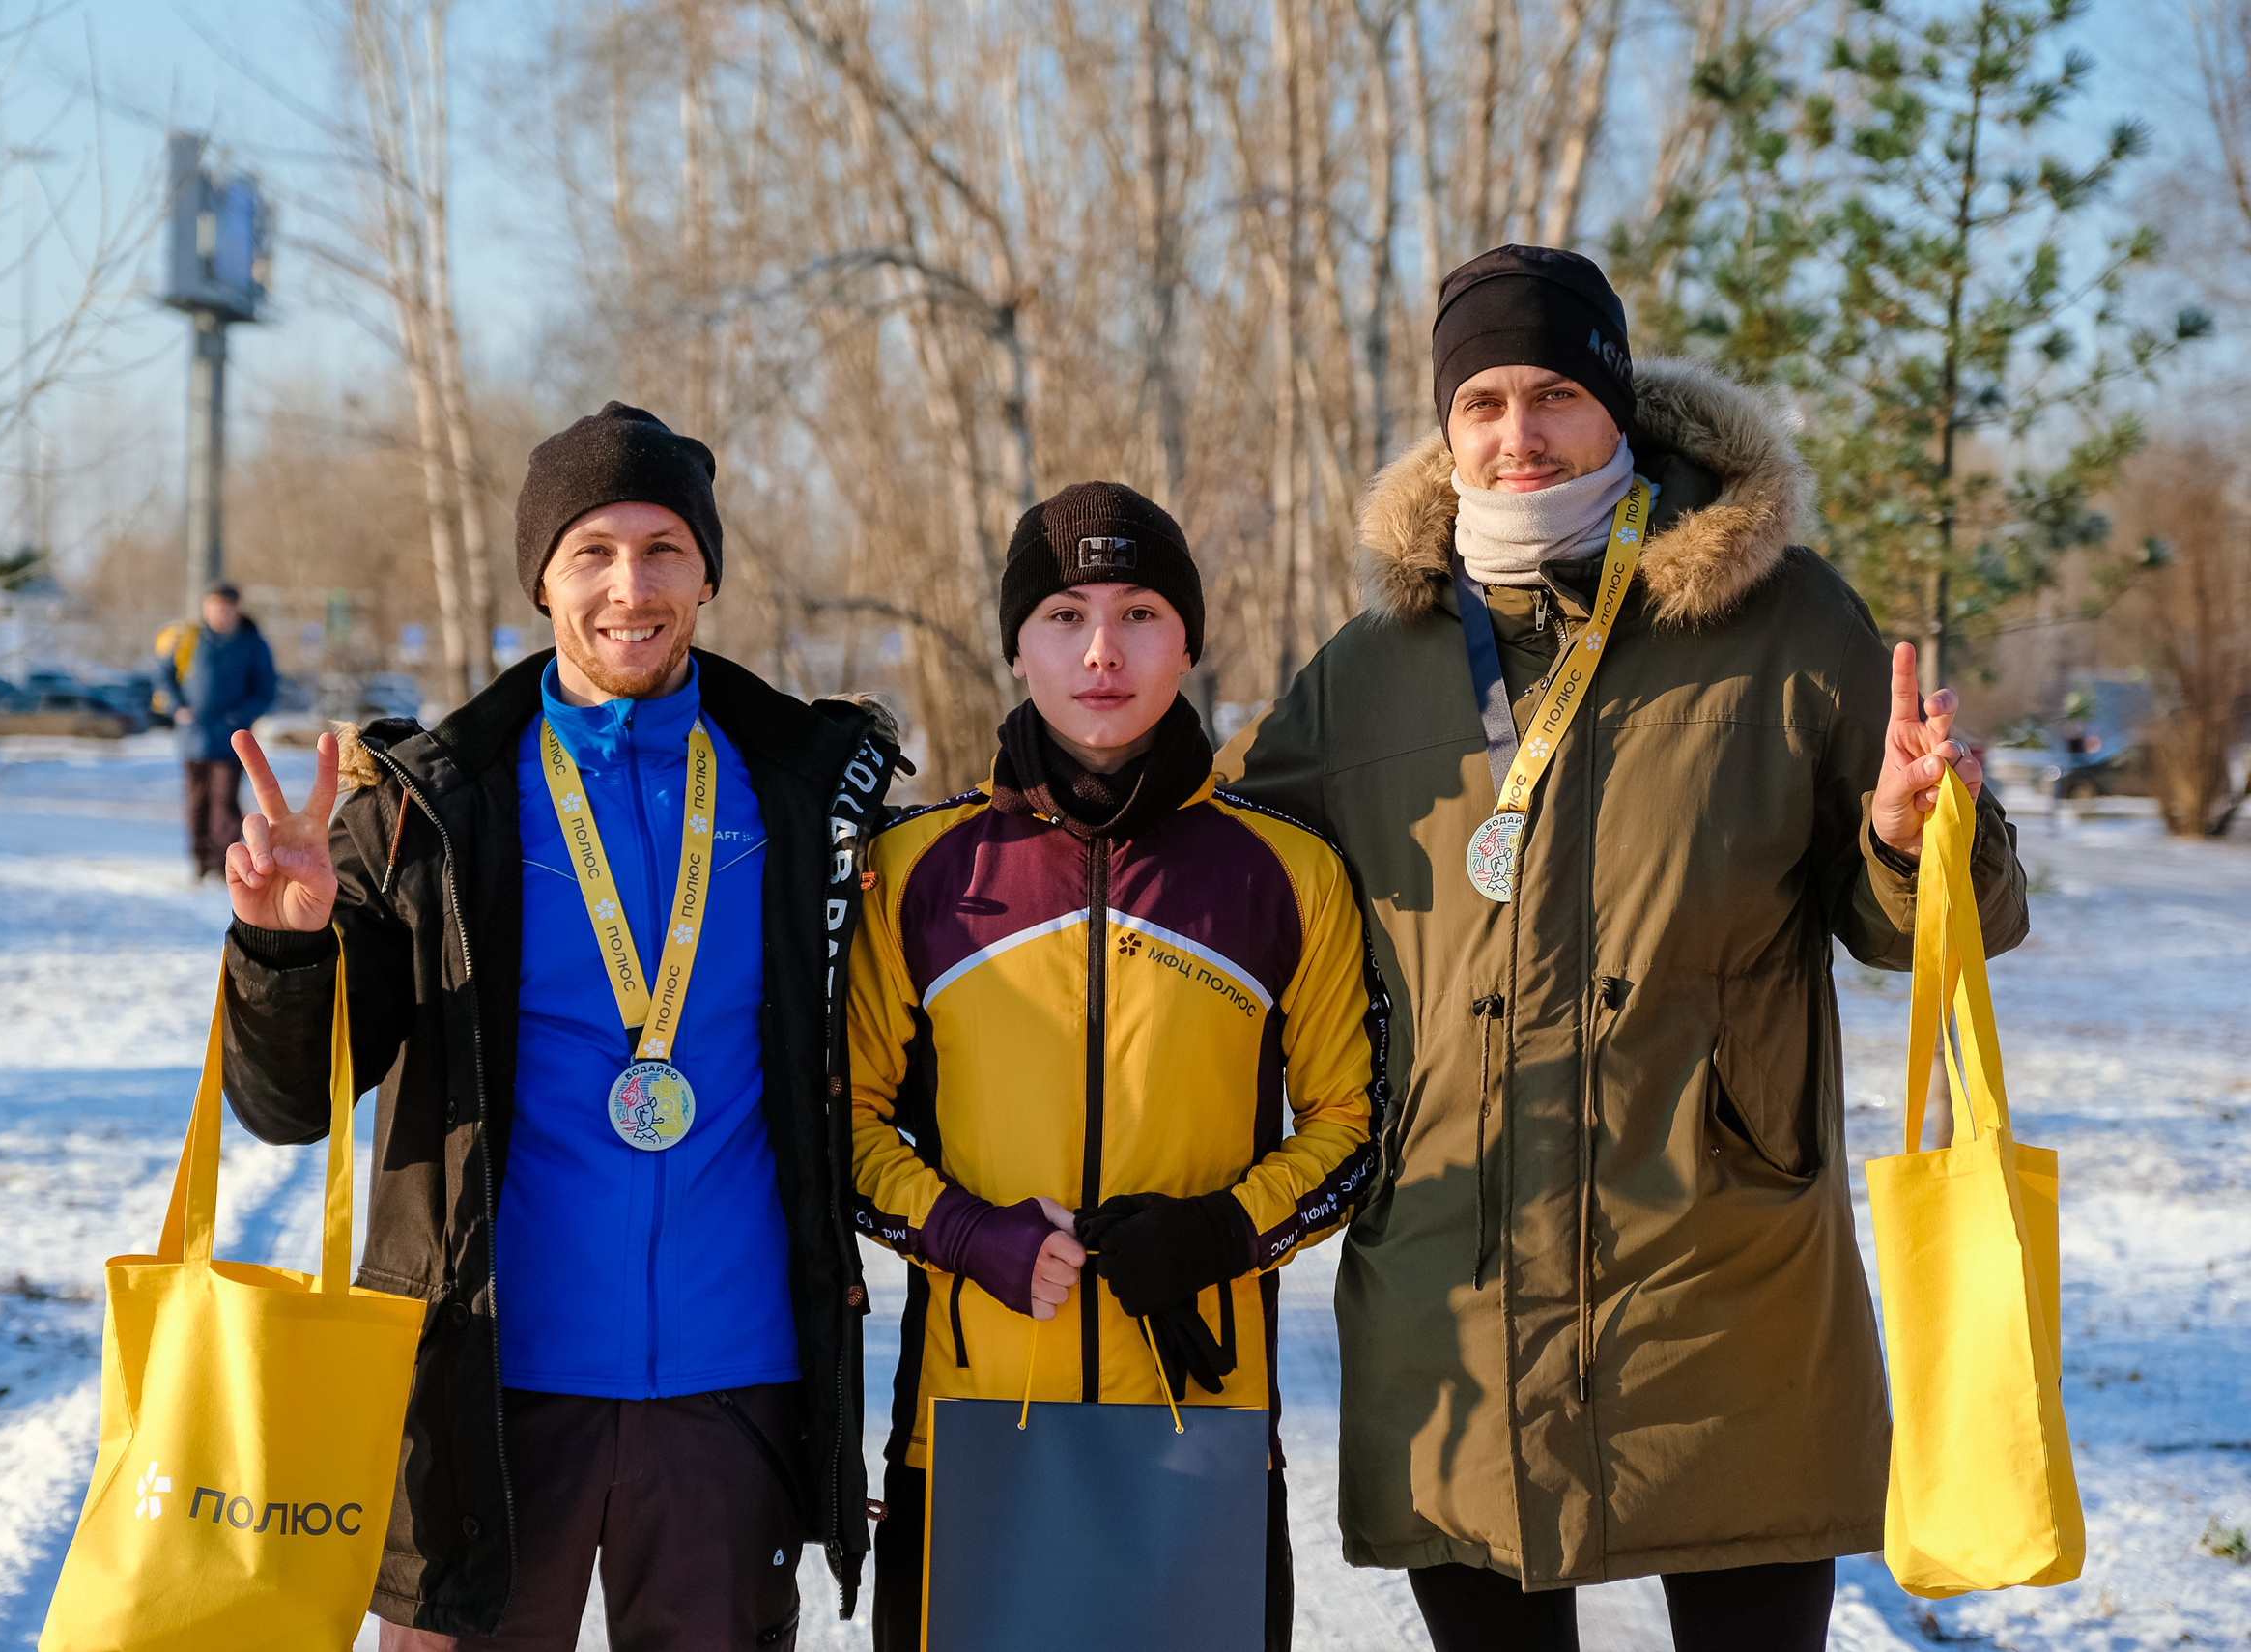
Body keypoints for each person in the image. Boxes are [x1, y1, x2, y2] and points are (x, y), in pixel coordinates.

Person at [1217, 245, 2029, 1651]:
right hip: (1455, 1285)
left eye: (1552, 396)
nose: (1518, 435)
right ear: (1446, 426)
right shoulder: (1370, 667)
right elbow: (1221, 883)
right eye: (1481, 402)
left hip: (1723, 1270)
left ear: (1617, 406)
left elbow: (1929, 925)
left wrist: (1914, 833)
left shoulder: (1782, 620)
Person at [215, 403, 901, 1649]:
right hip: (487, 1384)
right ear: (541, 579)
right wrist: (286, 942)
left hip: (730, 1388)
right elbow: (286, 1105)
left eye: (661, 549)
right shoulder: (434, 806)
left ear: (707, 571)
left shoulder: (804, 794)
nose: (627, 588)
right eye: (591, 552)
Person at [847, 482, 1384, 1652]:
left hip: (1200, 1433)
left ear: (1186, 639)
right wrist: (961, 1232)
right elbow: (842, 1124)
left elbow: (1354, 1116)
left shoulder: (1285, 870)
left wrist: (1220, 1232)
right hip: (971, 1428)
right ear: (1015, 645)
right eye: (1062, 616)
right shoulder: (916, 869)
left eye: (1140, 611)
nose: (1102, 651)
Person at [161, 581, 277, 880]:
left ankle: (223, 861)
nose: (219, 615)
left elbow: (266, 690)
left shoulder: (252, 643)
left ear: (236, 609)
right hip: (193, 737)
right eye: (213, 608)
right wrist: (177, 707)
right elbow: (163, 674)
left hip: (230, 740)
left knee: (223, 801)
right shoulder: (188, 638)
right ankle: (200, 861)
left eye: (225, 609)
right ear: (205, 608)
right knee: (196, 800)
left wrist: (241, 715)